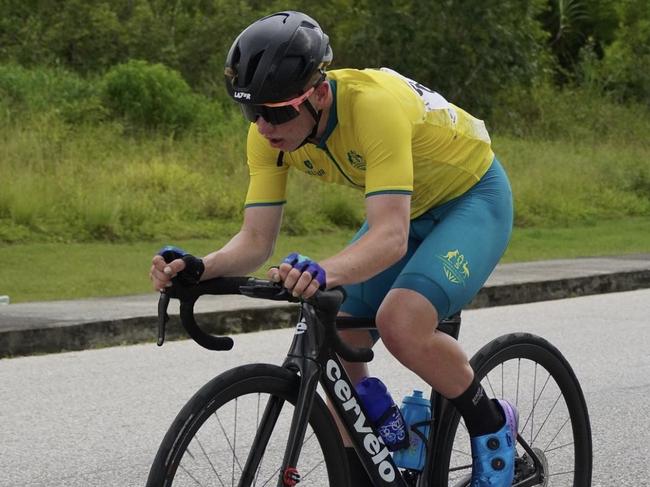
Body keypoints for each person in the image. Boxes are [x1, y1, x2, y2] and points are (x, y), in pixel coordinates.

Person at [150, 10, 518, 487]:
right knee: (337, 329)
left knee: (401, 323)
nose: (263, 125)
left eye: (277, 111)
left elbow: (390, 236)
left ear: (319, 93)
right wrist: (202, 267)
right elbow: (256, 240)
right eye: (252, 111)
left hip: (471, 200)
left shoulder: (373, 107)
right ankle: (387, 431)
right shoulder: (270, 135)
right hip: (406, 209)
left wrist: (323, 270)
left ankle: (492, 426)